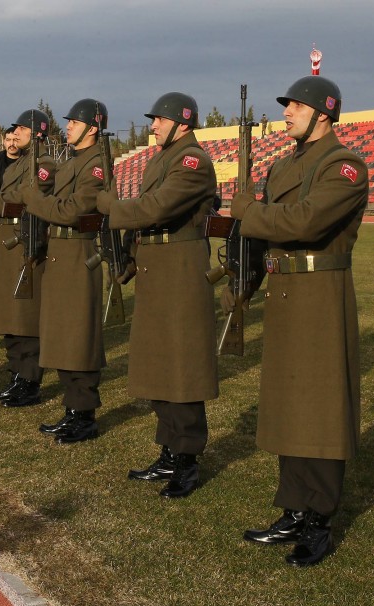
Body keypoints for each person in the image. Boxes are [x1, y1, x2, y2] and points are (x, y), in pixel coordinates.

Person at [232, 76, 368, 566]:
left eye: (296, 106)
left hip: (319, 292)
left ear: (323, 114)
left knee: (321, 409)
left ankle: (319, 518)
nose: (287, 112)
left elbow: (305, 221)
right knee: (290, 403)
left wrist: (249, 214)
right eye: (287, 105)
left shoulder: (345, 165)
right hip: (286, 289)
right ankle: (293, 507)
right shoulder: (286, 163)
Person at [96, 92, 218, 498]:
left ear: (182, 123)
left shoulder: (192, 161)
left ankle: (187, 460)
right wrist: (129, 257)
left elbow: (156, 209)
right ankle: (169, 450)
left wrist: (111, 207)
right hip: (156, 265)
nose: (153, 125)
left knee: (181, 368)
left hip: (180, 271)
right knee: (159, 365)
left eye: (160, 120)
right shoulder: (164, 157)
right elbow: (148, 220)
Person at [18, 99, 108, 443]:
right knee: (62, 335)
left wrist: (35, 201)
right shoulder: (74, 162)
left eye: (74, 122)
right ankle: (73, 411)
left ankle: (84, 416)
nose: (67, 126)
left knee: (78, 337)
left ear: (93, 128)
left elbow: (73, 209)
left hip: (79, 254)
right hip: (60, 252)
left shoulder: (97, 165)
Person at [0, 113, 56, 406]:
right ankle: (16, 375)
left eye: (22, 128)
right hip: (5, 243)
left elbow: (22, 197)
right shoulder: (19, 163)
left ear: (37, 134)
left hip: (25, 242)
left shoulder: (44, 164)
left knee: (26, 317)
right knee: (9, 315)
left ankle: (29, 381)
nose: (15, 132)